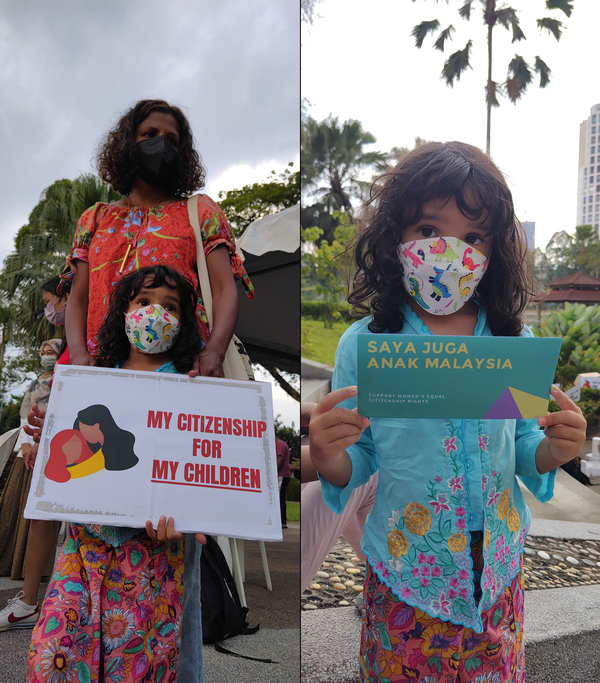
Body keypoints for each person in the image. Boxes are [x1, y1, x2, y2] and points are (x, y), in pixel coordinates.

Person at [309, 142, 587, 682]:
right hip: (407, 573)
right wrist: (327, 454)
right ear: (396, 237)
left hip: (499, 576)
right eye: (429, 231)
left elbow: (525, 450)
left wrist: (558, 448)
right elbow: (359, 458)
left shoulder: (513, 343)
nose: (449, 252)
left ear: (494, 250)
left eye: (473, 236)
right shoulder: (365, 345)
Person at [59, 99, 253, 682]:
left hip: (174, 389)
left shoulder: (199, 211)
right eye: (148, 134)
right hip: (100, 390)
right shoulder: (94, 218)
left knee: (166, 556)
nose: (159, 144)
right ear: (127, 142)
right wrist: (81, 362)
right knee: (90, 531)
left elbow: (225, 285)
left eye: (170, 137)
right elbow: (75, 295)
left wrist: (213, 350)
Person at [28, 265, 207, 683]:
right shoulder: (89, 383)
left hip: (153, 555)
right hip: (81, 547)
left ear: (182, 323)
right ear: (123, 311)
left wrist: (190, 515)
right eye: (143, 302)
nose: (154, 313)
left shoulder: (193, 389)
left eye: (170, 307)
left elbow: (200, 476)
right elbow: (61, 465)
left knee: (134, 664)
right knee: (50, 659)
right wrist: (41, 450)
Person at [0, 340, 62, 631]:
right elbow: (29, 415)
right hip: (37, 450)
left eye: (53, 352)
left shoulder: (75, 372)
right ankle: (27, 598)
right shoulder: (39, 382)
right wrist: (28, 443)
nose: (48, 357)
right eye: (45, 352)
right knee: (32, 513)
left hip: (64, 449)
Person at [276, 434, 291, 528]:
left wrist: (273, 470)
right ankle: (282, 521)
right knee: (280, 497)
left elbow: (280, 458)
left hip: (281, 475)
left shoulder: (280, 444)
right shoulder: (282, 444)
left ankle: (282, 521)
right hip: (283, 475)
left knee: (279, 497)